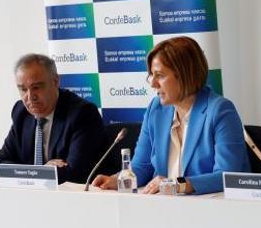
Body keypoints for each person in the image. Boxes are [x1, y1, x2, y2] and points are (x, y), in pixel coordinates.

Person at [93, 36, 249, 194]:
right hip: (164, 207)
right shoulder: (156, 109)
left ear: (184, 75)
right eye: (152, 75)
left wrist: (177, 184)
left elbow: (226, 177)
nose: (153, 84)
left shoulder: (220, 111)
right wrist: (117, 179)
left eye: (159, 75)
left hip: (210, 209)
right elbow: (142, 166)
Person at [0, 53, 105, 184]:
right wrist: (42, 171)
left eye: (36, 88)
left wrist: (30, 173)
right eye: (23, 89)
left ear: (55, 81)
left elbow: (75, 173)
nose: (30, 97)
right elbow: (0, 165)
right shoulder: (21, 113)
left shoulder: (82, 113)